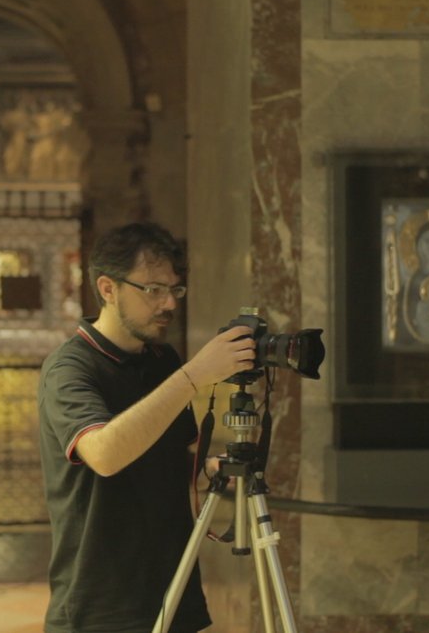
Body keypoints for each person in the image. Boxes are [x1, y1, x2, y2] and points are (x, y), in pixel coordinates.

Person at [37, 222, 257, 633]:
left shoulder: (161, 359)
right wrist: (194, 375)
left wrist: (206, 466)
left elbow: (165, 454)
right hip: (101, 605)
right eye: (153, 289)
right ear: (108, 288)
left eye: (174, 289)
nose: (168, 303)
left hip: (172, 586)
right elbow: (104, 455)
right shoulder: (69, 369)